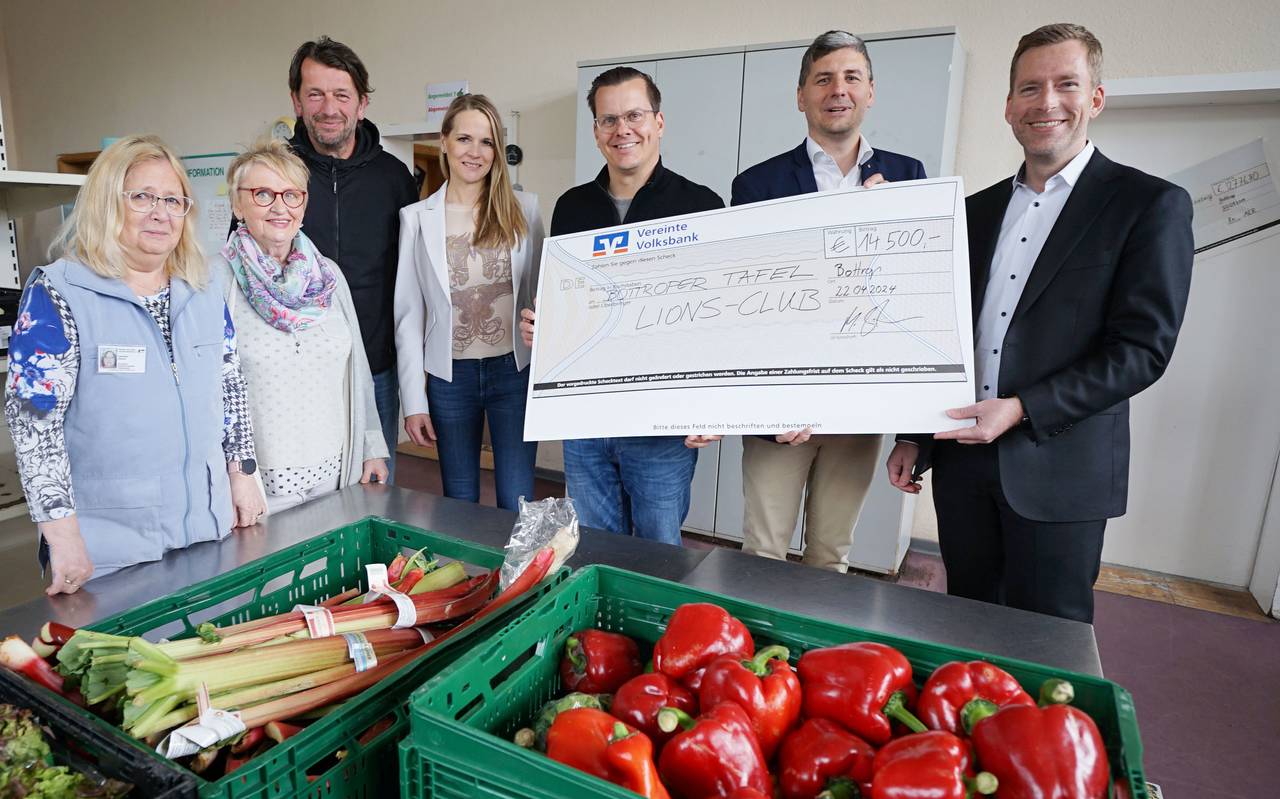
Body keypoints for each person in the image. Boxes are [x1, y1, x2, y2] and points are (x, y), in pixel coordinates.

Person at [885, 24, 1195, 623]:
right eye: (1029, 88)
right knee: (968, 622)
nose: (1046, 102)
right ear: (1009, 107)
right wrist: (914, 436)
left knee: (1050, 640)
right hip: (963, 461)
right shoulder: (971, 212)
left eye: (1065, 84)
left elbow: (1142, 350)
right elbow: (943, 334)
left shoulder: (1148, 204)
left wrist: (1022, 405)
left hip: (1062, 466)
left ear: (1095, 99)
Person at [4, 135, 263, 595]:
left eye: (173, 200)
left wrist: (241, 475)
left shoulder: (203, 288)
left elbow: (230, 388)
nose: (160, 212)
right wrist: (61, 536)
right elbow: (34, 430)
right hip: (110, 544)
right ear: (106, 203)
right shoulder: (58, 294)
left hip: (208, 525)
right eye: (142, 197)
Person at [730, 30, 927, 572]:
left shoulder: (909, 179)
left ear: (870, 92)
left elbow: (918, 301)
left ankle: (819, 658)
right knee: (762, 550)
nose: (837, 90)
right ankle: (753, 658)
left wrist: (912, 428)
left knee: (832, 554)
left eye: (851, 77)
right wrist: (764, 405)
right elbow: (743, 301)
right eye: (823, 79)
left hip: (858, 406)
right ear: (801, 96)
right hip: (779, 407)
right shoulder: (756, 184)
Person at [520, 67, 723, 544]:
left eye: (634, 115)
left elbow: (718, 319)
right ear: (595, 131)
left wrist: (713, 405)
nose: (622, 130)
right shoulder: (571, 207)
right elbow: (569, 302)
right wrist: (544, 328)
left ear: (659, 121)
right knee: (594, 547)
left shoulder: (701, 205)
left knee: (659, 551)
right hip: (585, 420)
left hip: (661, 422)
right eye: (608, 119)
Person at [213, 139, 388, 514]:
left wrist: (372, 447)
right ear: (237, 204)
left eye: (292, 195)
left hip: (336, 472)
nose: (280, 207)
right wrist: (230, 476)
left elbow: (358, 369)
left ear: (304, 205)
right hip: (256, 484)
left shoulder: (329, 276)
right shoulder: (214, 279)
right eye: (263, 194)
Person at [394, 94, 544, 510]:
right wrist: (414, 401)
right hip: (449, 377)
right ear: (444, 142)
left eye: (487, 141)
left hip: (513, 372)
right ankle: (471, 577)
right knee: (458, 501)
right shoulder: (415, 217)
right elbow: (408, 314)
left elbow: (541, 296)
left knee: (518, 500)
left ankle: (518, 577)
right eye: (464, 139)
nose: (474, 152)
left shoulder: (524, 209)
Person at [285, 36, 418, 481]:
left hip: (375, 371)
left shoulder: (393, 178)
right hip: (293, 368)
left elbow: (414, 278)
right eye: (315, 94)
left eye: (341, 95)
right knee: (298, 489)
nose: (328, 108)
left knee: (374, 492)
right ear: (296, 102)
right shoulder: (275, 173)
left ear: (361, 104)